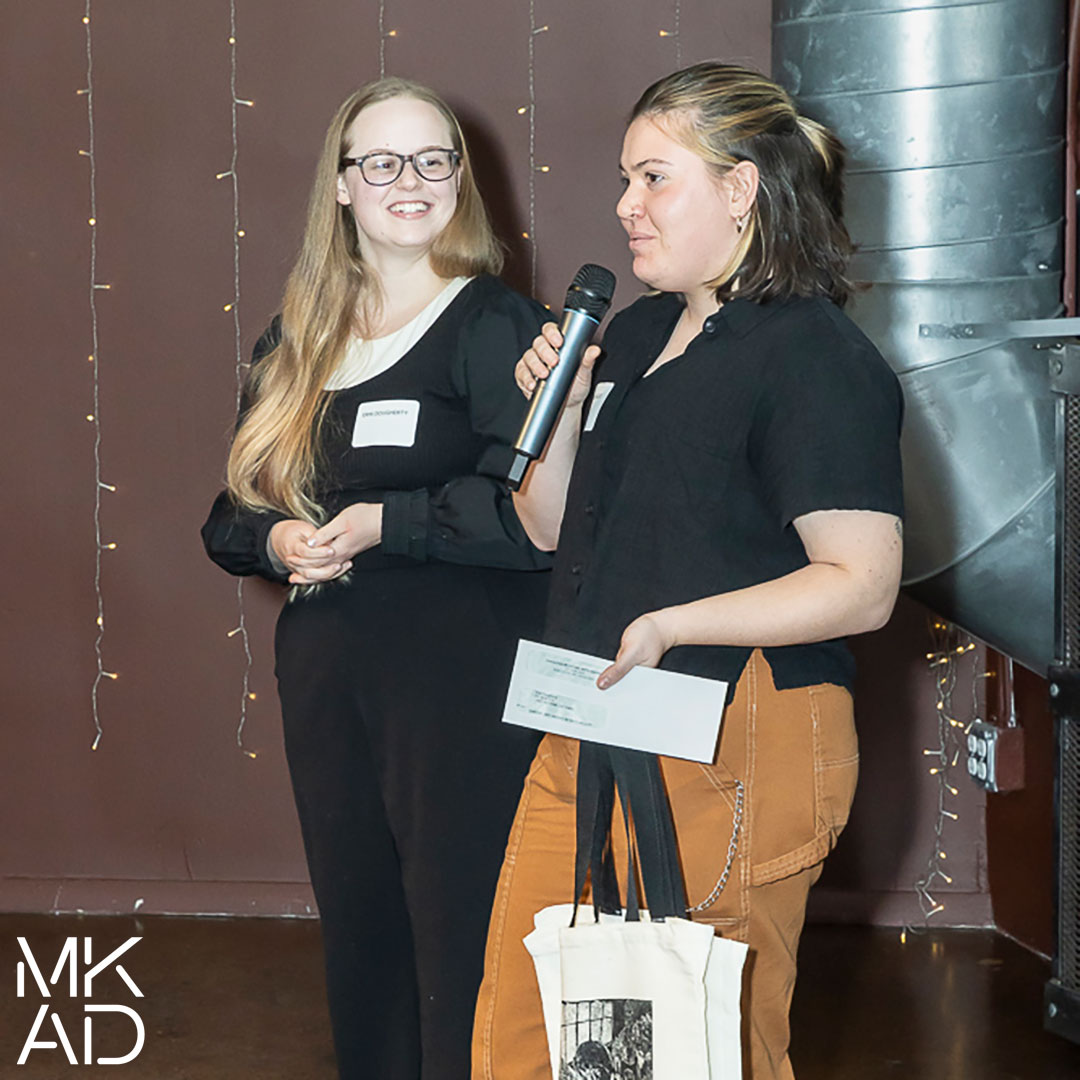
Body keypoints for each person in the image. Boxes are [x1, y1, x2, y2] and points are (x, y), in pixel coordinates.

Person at [471, 62, 904, 1080]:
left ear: (743, 189)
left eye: (653, 178)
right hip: (599, 714)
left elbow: (863, 581)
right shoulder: (634, 333)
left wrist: (676, 623)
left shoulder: (813, 355)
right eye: (626, 180)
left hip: (736, 726)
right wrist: (563, 410)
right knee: (531, 1039)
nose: (626, 206)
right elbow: (545, 530)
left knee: (698, 1049)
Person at [201, 77, 552, 1080]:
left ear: (460, 181)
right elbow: (228, 515)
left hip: (465, 673)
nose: (412, 181)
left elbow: (533, 519)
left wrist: (381, 522)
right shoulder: (295, 339)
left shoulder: (493, 324)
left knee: (461, 924)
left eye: (434, 159)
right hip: (328, 671)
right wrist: (278, 545)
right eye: (383, 162)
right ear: (343, 187)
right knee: (360, 917)